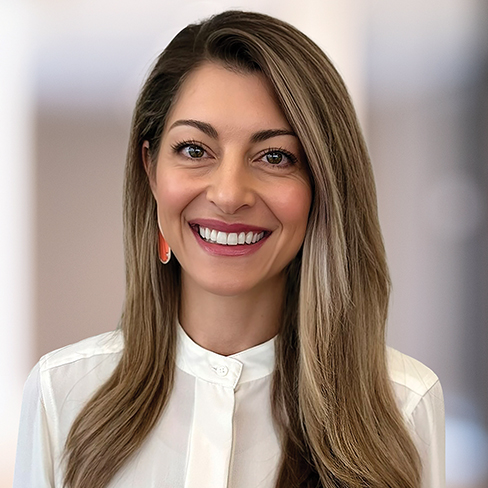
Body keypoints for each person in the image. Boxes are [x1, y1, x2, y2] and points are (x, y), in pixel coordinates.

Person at [13, 10, 445, 488]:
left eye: (275, 156)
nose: (228, 193)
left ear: (323, 184)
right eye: (195, 150)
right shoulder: (62, 394)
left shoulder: (404, 404)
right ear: (150, 169)